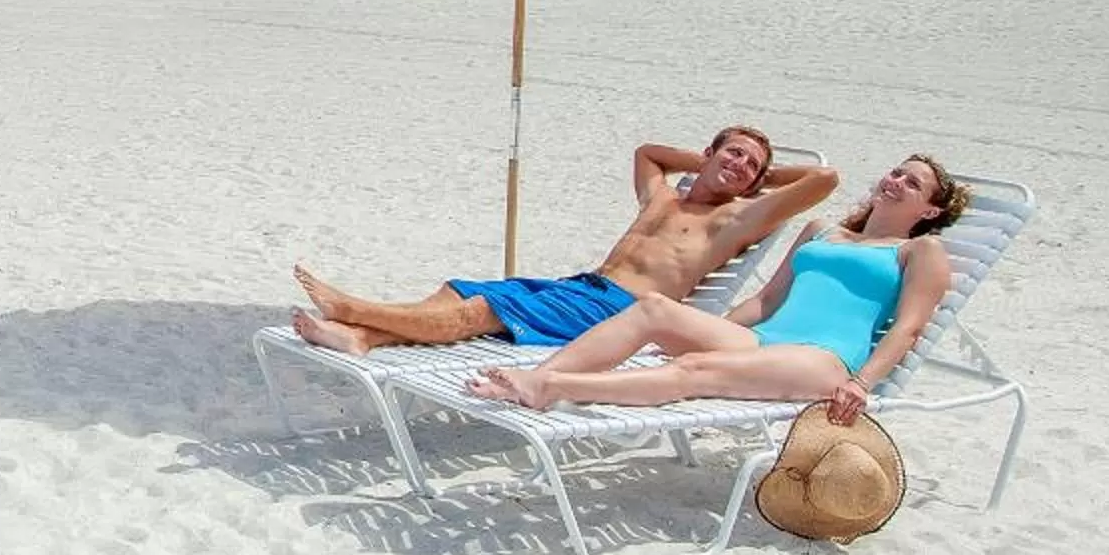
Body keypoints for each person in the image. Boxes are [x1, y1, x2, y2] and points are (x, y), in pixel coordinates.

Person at [465, 154, 968, 420]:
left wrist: (860, 385)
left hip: (824, 357)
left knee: (696, 368)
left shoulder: (919, 252)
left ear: (928, 211)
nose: (897, 181)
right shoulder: (822, 231)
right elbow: (767, 300)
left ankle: (552, 387)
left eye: (913, 184)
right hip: (764, 339)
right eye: (897, 172)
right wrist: (708, 326)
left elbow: (909, 329)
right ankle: (533, 379)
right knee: (655, 310)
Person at [290, 128, 833, 354]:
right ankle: (364, 336)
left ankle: (353, 308)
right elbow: (648, 153)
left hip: (620, 309)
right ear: (710, 154)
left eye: (751, 163)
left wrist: (757, 178)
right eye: (730, 152)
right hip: (581, 288)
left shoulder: (735, 219)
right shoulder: (663, 200)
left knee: (478, 312)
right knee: (457, 291)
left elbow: (825, 181)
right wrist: (714, 160)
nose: (739, 164)